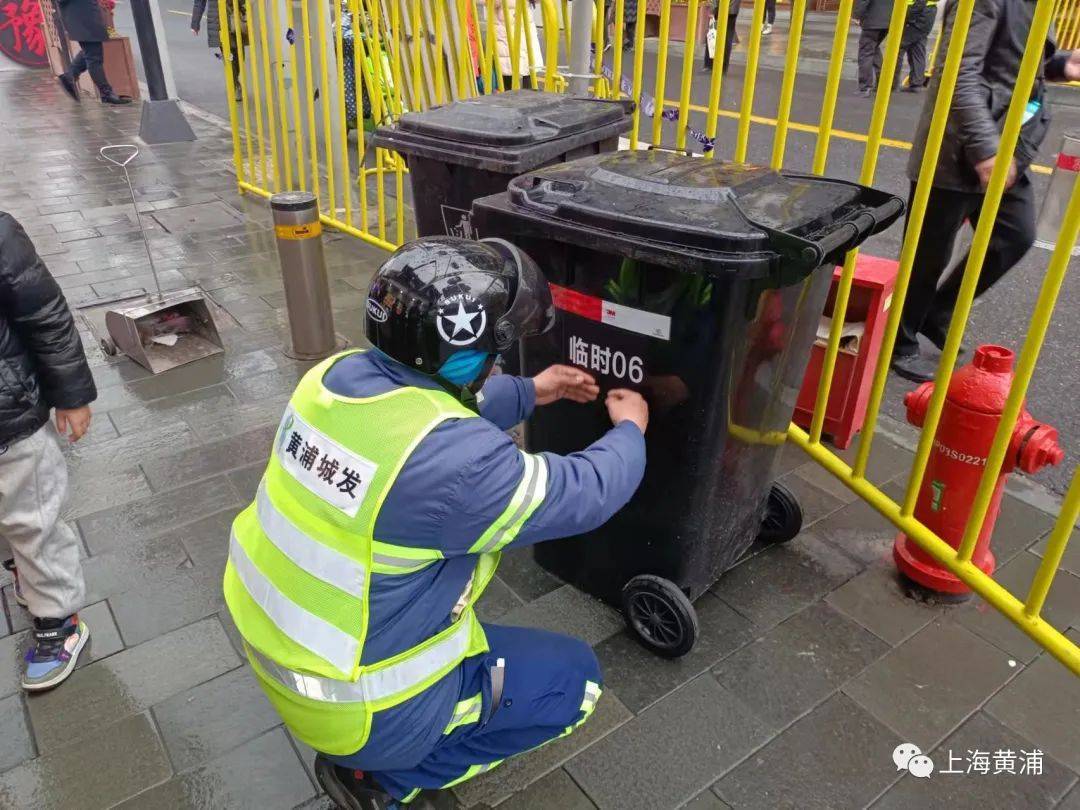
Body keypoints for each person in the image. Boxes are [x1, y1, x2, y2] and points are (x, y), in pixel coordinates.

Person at [224, 237, 648, 810]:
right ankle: (384, 783)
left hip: (287, 660)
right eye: (495, 352)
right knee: (574, 681)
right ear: (469, 353)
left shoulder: (330, 380)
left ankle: (374, 755)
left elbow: (418, 409)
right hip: (369, 709)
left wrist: (530, 391)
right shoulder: (462, 469)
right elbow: (583, 493)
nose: (498, 361)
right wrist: (631, 430)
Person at [892, 0, 1080, 382]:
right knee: (928, 254)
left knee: (1015, 235)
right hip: (957, 150)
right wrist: (986, 150)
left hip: (1007, 146)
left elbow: (1012, 64)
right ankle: (900, 339)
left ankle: (938, 312)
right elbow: (957, 74)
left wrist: (1059, 66)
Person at [0, 213, 96, 692]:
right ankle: (22, 569)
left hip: (10, 415)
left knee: (32, 519)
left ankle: (58, 617)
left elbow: (45, 315)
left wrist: (72, 394)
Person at [55, 0, 131, 104]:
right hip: (82, 17)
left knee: (91, 53)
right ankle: (106, 93)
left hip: (84, 16)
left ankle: (69, 76)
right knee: (94, 57)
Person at [191, 0, 247, 97]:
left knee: (239, 56)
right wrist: (195, 23)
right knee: (229, 55)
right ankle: (235, 85)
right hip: (218, 20)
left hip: (234, 15)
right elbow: (199, 2)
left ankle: (235, 80)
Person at [896, 0, 937, 92]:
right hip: (926, 13)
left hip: (918, 13)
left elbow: (920, 2)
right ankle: (916, 83)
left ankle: (891, 82)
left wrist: (909, 17)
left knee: (897, 48)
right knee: (917, 48)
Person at [853, 0, 892, 96]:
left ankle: (865, 87)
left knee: (865, 52)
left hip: (872, 20)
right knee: (874, 49)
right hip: (888, 21)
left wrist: (856, 15)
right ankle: (882, 83)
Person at [703, 0, 739, 75]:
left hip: (720, 7)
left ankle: (709, 64)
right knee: (728, 37)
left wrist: (712, 10)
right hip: (733, 9)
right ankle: (723, 67)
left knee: (712, 34)